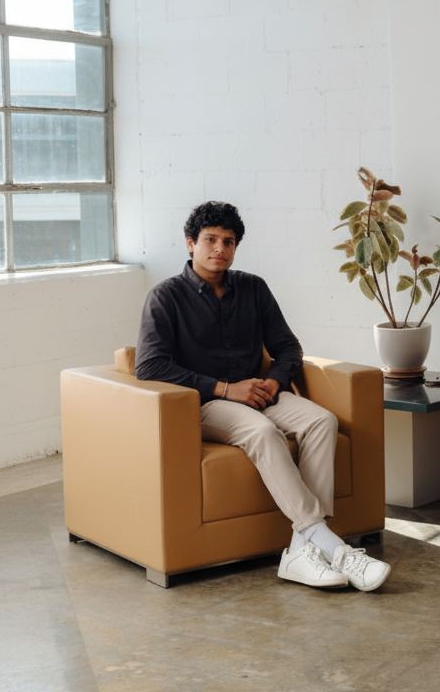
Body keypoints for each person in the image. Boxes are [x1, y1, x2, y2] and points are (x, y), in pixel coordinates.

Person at [136, 201, 390, 592]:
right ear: (190, 243)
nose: (220, 248)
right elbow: (149, 367)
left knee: (322, 421)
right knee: (261, 432)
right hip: (205, 403)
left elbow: (288, 346)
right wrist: (224, 389)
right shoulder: (165, 297)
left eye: (229, 241)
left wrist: (274, 380)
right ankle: (333, 548)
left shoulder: (253, 288)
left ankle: (300, 553)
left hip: (261, 392)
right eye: (210, 240)